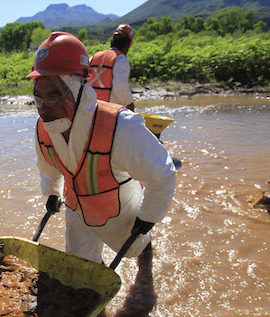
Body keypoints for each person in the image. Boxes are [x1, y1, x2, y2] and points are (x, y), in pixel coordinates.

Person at [27, 32, 176, 264]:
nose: (44, 108)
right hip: (77, 210)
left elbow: (163, 173)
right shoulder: (42, 128)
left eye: (54, 96)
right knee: (81, 269)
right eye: (39, 98)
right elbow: (48, 166)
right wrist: (53, 193)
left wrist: (149, 216)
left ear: (76, 88)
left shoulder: (120, 125)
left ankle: (146, 270)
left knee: (136, 250)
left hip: (119, 212)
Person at [89, 24, 135, 111]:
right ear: (127, 45)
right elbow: (120, 87)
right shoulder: (121, 60)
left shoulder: (94, 57)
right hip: (109, 111)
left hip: (91, 108)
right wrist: (130, 104)